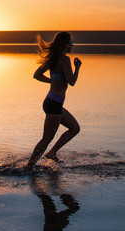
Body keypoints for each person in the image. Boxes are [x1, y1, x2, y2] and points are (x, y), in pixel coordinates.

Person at [24, 32, 82, 172]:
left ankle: (52, 153)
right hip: (54, 104)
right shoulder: (64, 60)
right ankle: (28, 167)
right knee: (46, 139)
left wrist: (52, 81)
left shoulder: (53, 59)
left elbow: (37, 75)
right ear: (65, 44)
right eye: (70, 42)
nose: (72, 45)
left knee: (75, 128)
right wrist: (78, 67)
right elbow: (72, 82)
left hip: (52, 101)